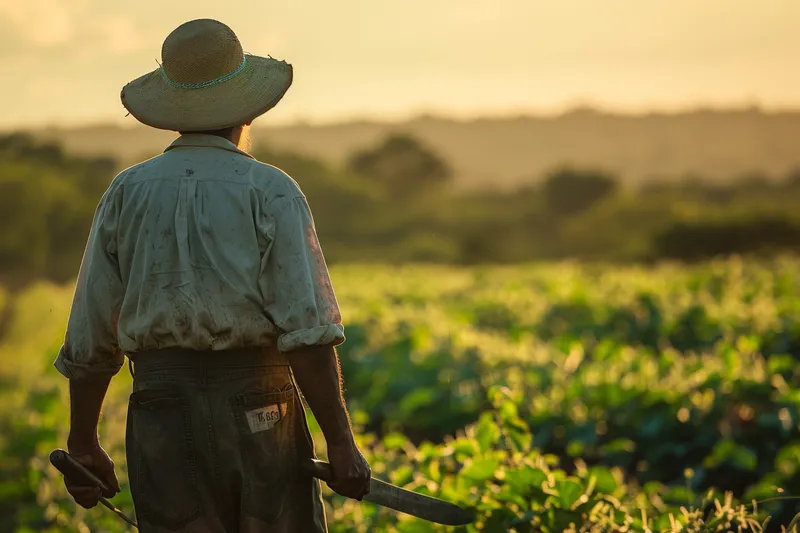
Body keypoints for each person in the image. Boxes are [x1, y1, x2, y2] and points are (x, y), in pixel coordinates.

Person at [54, 18, 371, 533]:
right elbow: (307, 333)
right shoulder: (270, 190)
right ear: (247, 109)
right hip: (261, 402)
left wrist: (83, 442)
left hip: (160, 403)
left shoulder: (125, 192)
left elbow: (91, 336)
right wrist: (340, 441)